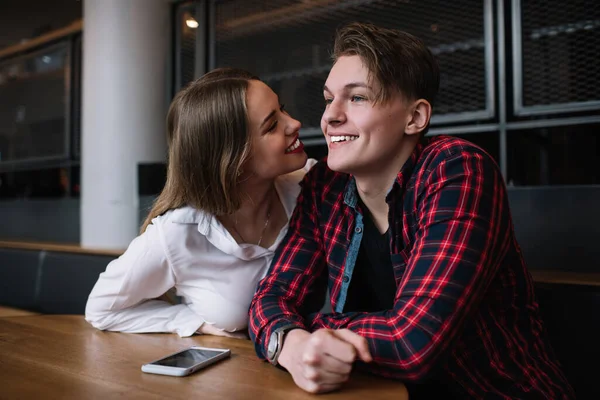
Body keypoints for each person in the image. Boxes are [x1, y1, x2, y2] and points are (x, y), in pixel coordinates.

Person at [249, 22, 574, 398]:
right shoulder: (325, 185)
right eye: (328, 99)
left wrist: (307, 328)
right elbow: (271, 297)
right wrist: (289, 344)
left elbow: (413, 342)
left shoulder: (457, 170)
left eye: (357, 98)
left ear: (415, 118)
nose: (330, 117)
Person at [85, 68, 314, 339]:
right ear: (232, 157)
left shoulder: (311, 187)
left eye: (283, 110)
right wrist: (195, 323)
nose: (295, 123)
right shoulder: (176, 233)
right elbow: (101, 310)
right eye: (272, 125)